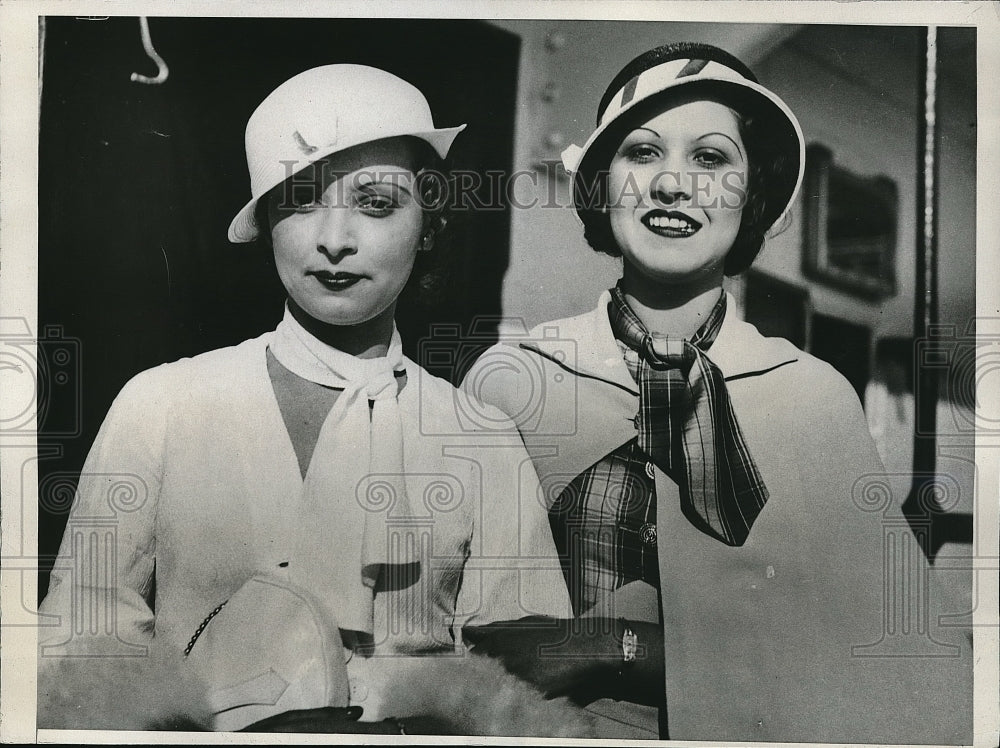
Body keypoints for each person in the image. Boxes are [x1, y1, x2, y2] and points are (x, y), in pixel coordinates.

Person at [36, 64, 574, 733]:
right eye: (301, 199)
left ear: (429, 227)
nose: (334, 239)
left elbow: (523, 694)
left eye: (376, 204)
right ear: (266, 221)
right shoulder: (162, 405)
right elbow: (79, 654)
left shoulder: (479, 436)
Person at [461, 42, 971, 743]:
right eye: (642, 153)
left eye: (709, 158)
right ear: (603, 186)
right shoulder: (512, 378)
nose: (673, 185)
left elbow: (908, 669)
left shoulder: (813, 399)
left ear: (751, 195)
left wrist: (615, 648)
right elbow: (452, 640)